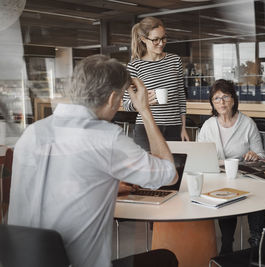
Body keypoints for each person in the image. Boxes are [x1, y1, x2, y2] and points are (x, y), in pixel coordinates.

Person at [8, 55, 179, 267]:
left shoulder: (32, 133)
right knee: (165, 258)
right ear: (112, 98)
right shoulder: (106, 138)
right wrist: (144, 109)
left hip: (19, 261)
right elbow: (169, 173)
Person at [198, 79, 265, 254]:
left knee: (257, 194)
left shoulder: (247, 124)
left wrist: (255, 156)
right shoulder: (208, 126)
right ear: (212, 103)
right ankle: (227, 243)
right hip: (219, 180)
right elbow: (199, 158)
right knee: (224, 193)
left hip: (245, 179)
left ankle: (257, 240)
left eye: (225, 97)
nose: (221, 102)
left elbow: (263, 158)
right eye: (216, 98)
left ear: (233, 99)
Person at [123, 16, 189, 151]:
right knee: (148, 170)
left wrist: (183, 127)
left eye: (164, 38)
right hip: (146, 127)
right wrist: (144, 102)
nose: (161, 43)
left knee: (175, 169)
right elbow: (126, 104)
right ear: (143, 39)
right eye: (155, 40)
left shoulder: (175, 61)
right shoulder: (135, 66)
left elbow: (180, 97)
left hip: (174, 127)